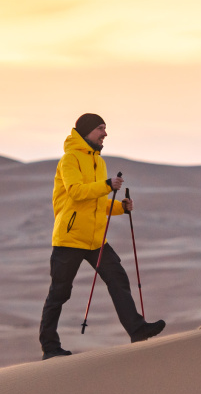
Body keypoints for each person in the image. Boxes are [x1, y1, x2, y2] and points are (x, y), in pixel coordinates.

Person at [39, 113, 166, 358]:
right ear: (86, 131)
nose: (105, 133)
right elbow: (76, 193)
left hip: (96, 239)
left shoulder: (100, 162)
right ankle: (49, 347)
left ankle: (137, 329)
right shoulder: (69, 160)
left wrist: (121, 207)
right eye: (100, 128)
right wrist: (108, 185)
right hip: (70, 238)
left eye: (105, 128)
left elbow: (97, 202)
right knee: (59, 293)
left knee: (118, 279)